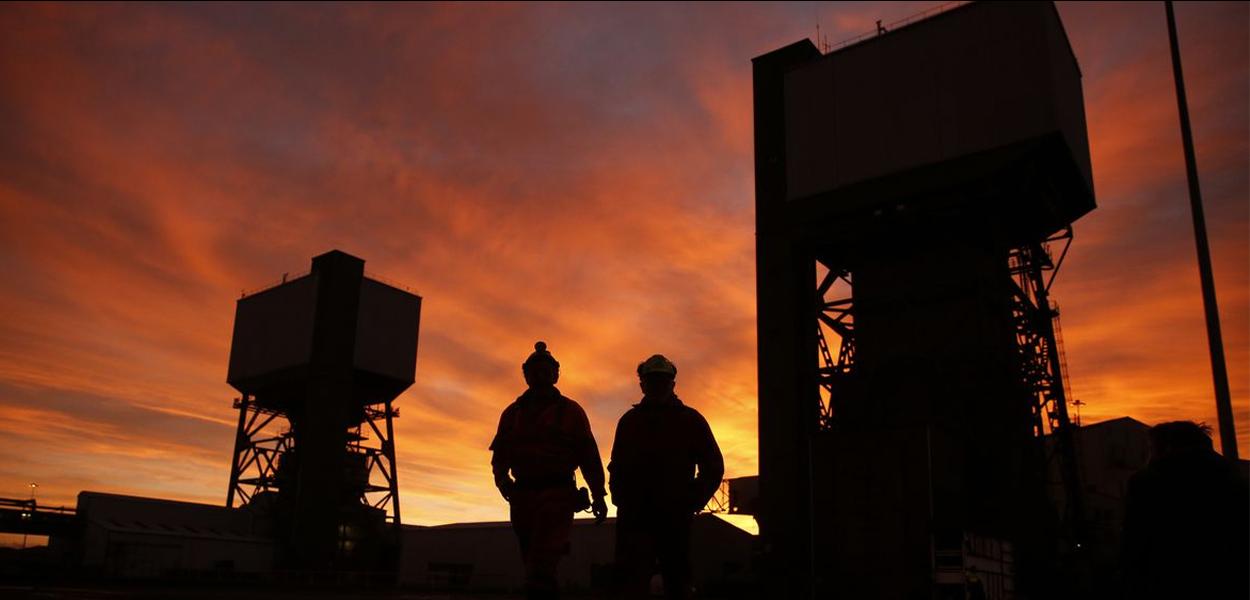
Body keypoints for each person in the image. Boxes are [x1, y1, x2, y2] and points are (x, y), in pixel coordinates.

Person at [490, 341, 609, 600]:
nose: (541, 376)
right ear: (526, 374)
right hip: (522, 496)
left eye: (546, 370)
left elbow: (589, 455)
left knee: (543, 560)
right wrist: (502, 481)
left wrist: (599, 494)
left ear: (556, 374)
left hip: (557, 494)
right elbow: (500, 455)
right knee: (531, 557)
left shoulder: (571, 412)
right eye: (535, 371)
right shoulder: (512, 414)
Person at [608, 354, 724, 600]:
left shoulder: (690, 420)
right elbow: (616, 466)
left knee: (677, 580)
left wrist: (690, 501)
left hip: (673, 518)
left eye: (662, 381)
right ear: (643, 385)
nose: (657, 385)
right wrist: (621, 498)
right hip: (636, 517)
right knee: (632, 582)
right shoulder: (629, 422)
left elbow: (713, 467)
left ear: (672, 384)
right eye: (652, 381)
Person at [1121, 421, 1249, 600]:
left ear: (1166, 448)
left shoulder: (1149, 483)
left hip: (1167, 581)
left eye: (1152, 448)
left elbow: (1135, 541)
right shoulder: (1232, 477)